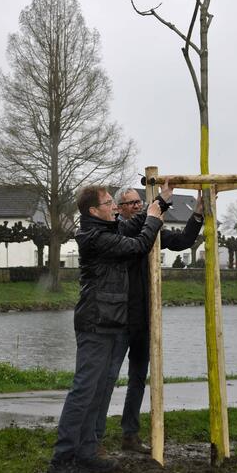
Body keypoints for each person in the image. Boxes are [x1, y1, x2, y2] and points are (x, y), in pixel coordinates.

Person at [47, 185, 164, 473]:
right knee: (84, 392)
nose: (114, 205)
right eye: (108, 202)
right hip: (95, 324)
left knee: (99, 391)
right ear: (93, 211)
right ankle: (61, 459)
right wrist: (153, 219)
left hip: (112, 323)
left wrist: (161, 201)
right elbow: (139, 245)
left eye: (113, 201)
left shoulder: (108, 229)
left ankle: (86, 453)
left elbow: (133, 225)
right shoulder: (95, 238)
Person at [95, 182, 204, 454]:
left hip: (143, 318)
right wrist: (159, 206)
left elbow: (181, 242)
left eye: (138, 203)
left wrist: (197, 216)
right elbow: (133, 231)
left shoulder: (150, 229)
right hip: (119, 319)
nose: (136, 206)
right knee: (107, 378)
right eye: (131, 203)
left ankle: (129, 435)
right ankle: (93, 438)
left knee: (137, 378)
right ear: (118, 208)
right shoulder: (115, 230)